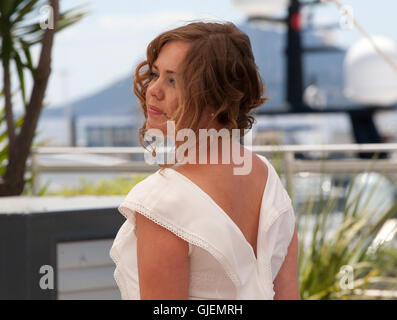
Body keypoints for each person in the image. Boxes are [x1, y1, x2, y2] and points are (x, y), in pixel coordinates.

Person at [110, 20, 300, 300]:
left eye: (173, 80)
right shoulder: (266, 177)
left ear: (214, 97)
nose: (153, 90)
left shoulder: (162, 201)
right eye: (155, 74)